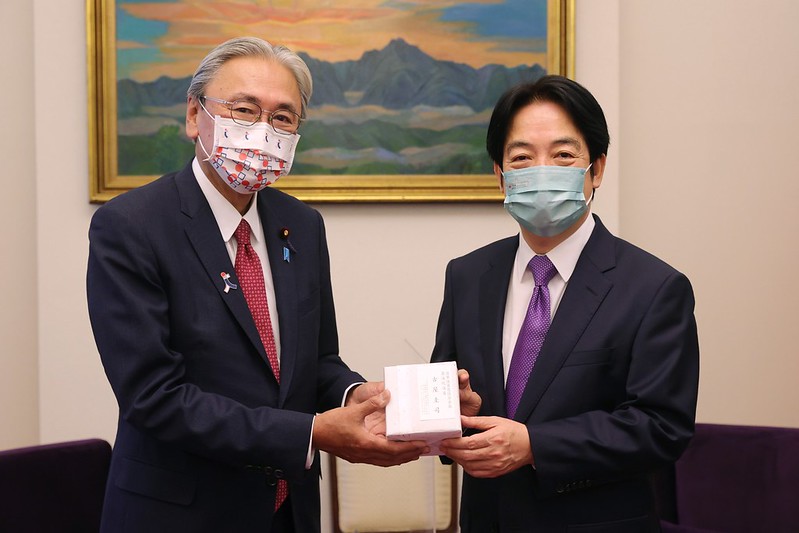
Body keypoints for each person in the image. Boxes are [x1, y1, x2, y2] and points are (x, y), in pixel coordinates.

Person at [87, 37, 429, 532]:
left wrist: (355, 396)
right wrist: (311, 432)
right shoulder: (131, 225)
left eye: (283, 118)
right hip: (180, 514)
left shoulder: (302, 225)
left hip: (288, 512)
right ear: (194, 115)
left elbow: (316, 361)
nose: (263, 131)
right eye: (244, 110)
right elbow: (153, 397)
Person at [432, 75, 700, 532]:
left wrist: (535, 444)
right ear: (500, 175)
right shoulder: (468, 275)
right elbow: (446, 400)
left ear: (596, 169)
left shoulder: (655, 287)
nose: (541, 170)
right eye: (521, 157)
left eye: (562, 155)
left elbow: (661, 427)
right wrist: (457, 415)